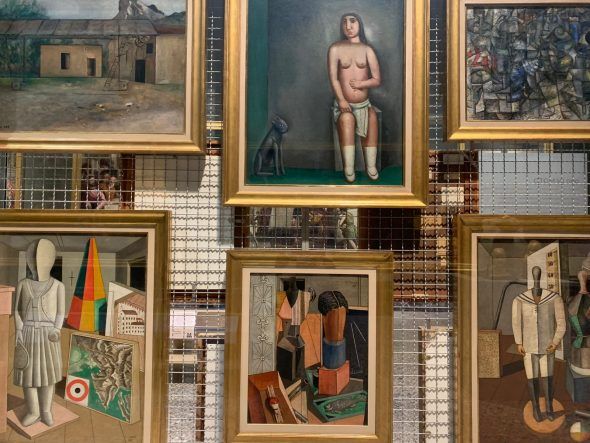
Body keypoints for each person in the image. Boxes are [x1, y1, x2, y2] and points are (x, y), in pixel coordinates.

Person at [13, 239, 65, 427]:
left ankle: (46, 411)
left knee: (47, 374)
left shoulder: (58, 286)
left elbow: (60, 312)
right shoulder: (23, 284)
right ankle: (33, 411)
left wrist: (56, 329)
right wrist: (19, 329)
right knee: (28, 375)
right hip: (27, 334)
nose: (38, 262)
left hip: (48, 335)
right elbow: (17, 310)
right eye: (34, 258)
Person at [328, 13, 381, 183]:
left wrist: (361, 84)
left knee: (372, 117)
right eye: (344, 22)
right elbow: (334, 79)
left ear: (360, 24)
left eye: (352, 21)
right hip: (343, 105)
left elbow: (376, 80)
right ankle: (349, 168)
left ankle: (371, 166)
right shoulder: (335, 49)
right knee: (347, 119)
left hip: (364, 104)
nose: (348, 26)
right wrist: (342, 100)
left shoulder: (367, 50)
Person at [512, 266, 566, 422]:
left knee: (548, 378)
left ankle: (549, 409)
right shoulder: (520, 299)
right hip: (528, 347)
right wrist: (519, 342)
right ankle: (536, 409)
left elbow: (561, 323)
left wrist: (555, 342)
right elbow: (516, 323)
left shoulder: (554, 298)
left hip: (548, 347)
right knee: (532, 379)